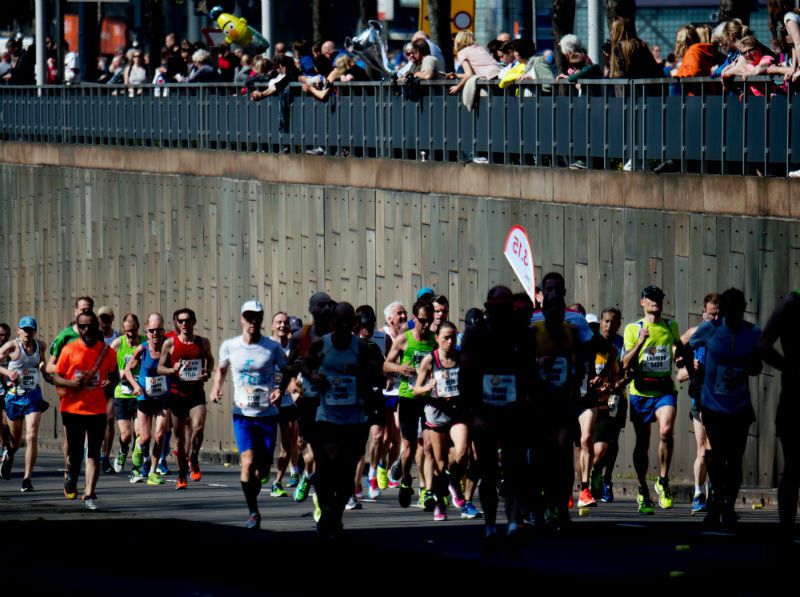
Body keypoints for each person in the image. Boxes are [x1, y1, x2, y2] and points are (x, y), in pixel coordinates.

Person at [460, 286, 537, 557]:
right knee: (489, 472)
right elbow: (465, 375)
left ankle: (513, 525)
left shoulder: (524, 334)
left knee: (514, 471)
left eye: (505, 308)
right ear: (488, 308)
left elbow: (531, 374)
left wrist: (530, 406)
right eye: (496, 308)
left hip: (514, 413)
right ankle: (491, 528)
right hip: (485, 414)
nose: (501, 313)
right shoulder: (475, 333)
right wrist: (470, 414)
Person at [302, 302, 383, 540]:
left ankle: (334, 516)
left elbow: (378, 373)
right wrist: (315, 377)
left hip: (355, 419)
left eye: (348, 323)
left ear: (354, 325)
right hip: (327, 418)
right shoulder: (322, 345)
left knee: (347, 474)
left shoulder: (362, 348)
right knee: (328, 466)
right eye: (339, 322)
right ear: (332, 323)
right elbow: (306, 365)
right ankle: (327, 509)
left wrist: (361, 372)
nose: (343, 327)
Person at [211, 300, 289, 529]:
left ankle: (255, 488)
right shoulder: (230, 346)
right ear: (242, 318)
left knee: (263, 468)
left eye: (257, 316)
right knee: (248, 461)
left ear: (262, 318)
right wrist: (217, 387)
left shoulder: (272, 347)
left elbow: (286, 371)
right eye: (249, 316)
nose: (253, 321)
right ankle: (253, 512)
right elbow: (221, 369)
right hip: (242, 413)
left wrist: (280, 390)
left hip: (267, 414)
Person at [689, 288, 761, 531]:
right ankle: (716, 502)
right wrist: (694, 377)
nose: (733, 315)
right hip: (713, 405)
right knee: (718, 456)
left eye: (738, 310)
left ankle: (728, 504)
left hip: (739, 406)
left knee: (735, 458)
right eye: (728, 311)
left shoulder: (752, 333)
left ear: (743, 308)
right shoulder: (711, 329)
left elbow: (757, 365)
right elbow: (684, 347)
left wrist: (751, 365)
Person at [622, 285, 683, 514]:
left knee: (666, 431)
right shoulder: (632, 328)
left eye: (659, 298)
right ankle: (642, 489)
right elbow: (625, 364)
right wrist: (640, 342)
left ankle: (663, 481)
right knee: (642, 443)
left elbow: (676, 345)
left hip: (664, 389)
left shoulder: (670, 325)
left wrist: (678, 356)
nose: (656, 302)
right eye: (651, 298)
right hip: (640, 392)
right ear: (643, 302)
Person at [53, 311, 119, 510]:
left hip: (96, 410)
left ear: (96, 326)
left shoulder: (107, 352)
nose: (86, 330)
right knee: (74, 455)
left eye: (90, 325)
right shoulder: (69, 349)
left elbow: (115, 376)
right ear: (78, 327)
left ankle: (89, 493)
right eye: (82, 326)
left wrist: (109, 384)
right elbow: (56, 377)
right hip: (72, 409)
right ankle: (71, 476)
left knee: (93, 453)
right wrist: (72, 383)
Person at [413, 321, 470, 521]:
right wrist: (428, 387)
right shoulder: (430, 360)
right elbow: (415, 390)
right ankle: (440, 502)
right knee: (440, 463)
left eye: (453, 337)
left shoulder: (461, 358)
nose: (449, 341)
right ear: (436, 339)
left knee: (462, 453)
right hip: (436, 412)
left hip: (457, 411)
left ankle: (454, 482)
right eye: (445, 337)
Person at [383, 299, 437, 509]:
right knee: (409, 448)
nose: (425, 325)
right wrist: (399, 369)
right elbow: (385, 365)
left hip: (429, 398)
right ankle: (406, 480)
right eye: (422, 320)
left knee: (429, 446)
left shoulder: (435, 340)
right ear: (415, 318)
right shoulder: (403, 340)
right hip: (407, 398)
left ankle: (427, 490)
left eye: (429, 321)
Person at [287, 292, 337, 512]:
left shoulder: (339, 334)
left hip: (332, 402)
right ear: (313, 309)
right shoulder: (301, 336)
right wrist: (292, 389)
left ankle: (321, 497)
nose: (326, 310)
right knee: (308, 448)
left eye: (330, 306)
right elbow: (288, 368)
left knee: (326, 452)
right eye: (322, 306)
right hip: (308, 399)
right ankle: (308, 476)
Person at [758, 287, 800, 538]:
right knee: (794, 465)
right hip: (795, 397)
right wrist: (790, 368)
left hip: (794, 394)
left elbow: (763, 345)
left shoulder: (790, 303)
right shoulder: (791, 303)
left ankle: (787, 528)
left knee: (794, 466)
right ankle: (786, 527)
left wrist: (789, 368)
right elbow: (762, 345)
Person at [157, 308, 214, 489]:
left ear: (194, 322)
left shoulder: (203, 342)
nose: (184, 324)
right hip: (176, 394)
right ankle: (182, 474)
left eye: (187, 320)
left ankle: (194, 457)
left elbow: (210, 360)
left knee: (198, 428)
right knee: (180, 439)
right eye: (180, 321)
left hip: (196, 392)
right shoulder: (169, 343)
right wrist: (172, 370)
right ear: (177, 323)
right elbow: (160, 368)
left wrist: (207, 373)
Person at [677, 293, 720, 514]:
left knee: (715, 451)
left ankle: (713, 492)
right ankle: (698, 492)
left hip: (721, 399)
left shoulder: (725, 335)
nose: (715, 318)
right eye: (711, 314)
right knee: (703, 450)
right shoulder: (695, 333)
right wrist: (689, 367)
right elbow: (678, 362)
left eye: (719, 314)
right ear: (703, 312)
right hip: (700, 398)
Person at [0, 317, 49, 491]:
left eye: (31, 330)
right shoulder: (11, 346)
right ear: (18, 330)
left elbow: (41, 361)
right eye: (24, 330)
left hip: (33, 396)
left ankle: (27, 479)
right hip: (14, 397)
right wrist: (8, 372)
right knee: (15, 442)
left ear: (35, 331)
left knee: (31, 436)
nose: (27, 333)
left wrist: (45, 371)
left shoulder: (40, 345)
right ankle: (9, 454)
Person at [124, 313, 170, 485]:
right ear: (147, 330)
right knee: (144, 438)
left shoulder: (168, 347)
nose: (155, 334)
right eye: (152, 330)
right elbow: (128, 370)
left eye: (159, 330)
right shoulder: (142, 349)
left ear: (163, 330)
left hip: (163, 397)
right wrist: (135, 386)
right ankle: (138, 448)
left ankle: (152, 471)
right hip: (144, 397)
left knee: (159, 435)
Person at [590, 308, 627, 503]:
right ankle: (593, 471)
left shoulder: (622, 344)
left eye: (613, 322)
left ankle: (607, 479)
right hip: (593, 399)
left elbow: (626, 372)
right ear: (601, 322)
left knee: (612, 441)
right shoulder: (591, 342)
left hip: (615, 397)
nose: (609, 325)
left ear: (619, 323)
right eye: (606, 321)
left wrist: (615, 385)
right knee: (593, 444)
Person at [109, 314, 146, 479]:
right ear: (124, 330)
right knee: (126, 435)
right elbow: (107, 367)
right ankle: (123, 450)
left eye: (134, 331)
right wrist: (122, 372)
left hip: (140, 394)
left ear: (139, 327)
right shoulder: (117, 344)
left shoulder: (145, 343)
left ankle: (136, 469)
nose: (131, 335)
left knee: (140, 434)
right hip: (122, 394)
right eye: (127, 331)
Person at [269, 311, 301, 497]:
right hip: (266, 401)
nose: (282, 325)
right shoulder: (265, 345)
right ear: (272, 326)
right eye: (278, 322)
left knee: (288, 445)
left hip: (287, 401)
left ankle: (277, 482)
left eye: (285, 323)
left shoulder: (295, 348)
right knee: (265, 444)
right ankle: (264, 468)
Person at [98, 306, 119, 474]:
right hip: (93, 384)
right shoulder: (92, 337)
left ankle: (105, 457)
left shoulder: (117, 337)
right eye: (101, 318)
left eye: (107, 318)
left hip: (111, 384)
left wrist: (112, 379)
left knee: (110, 419)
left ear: (112, 319)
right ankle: (91, 450)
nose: (104, 321)